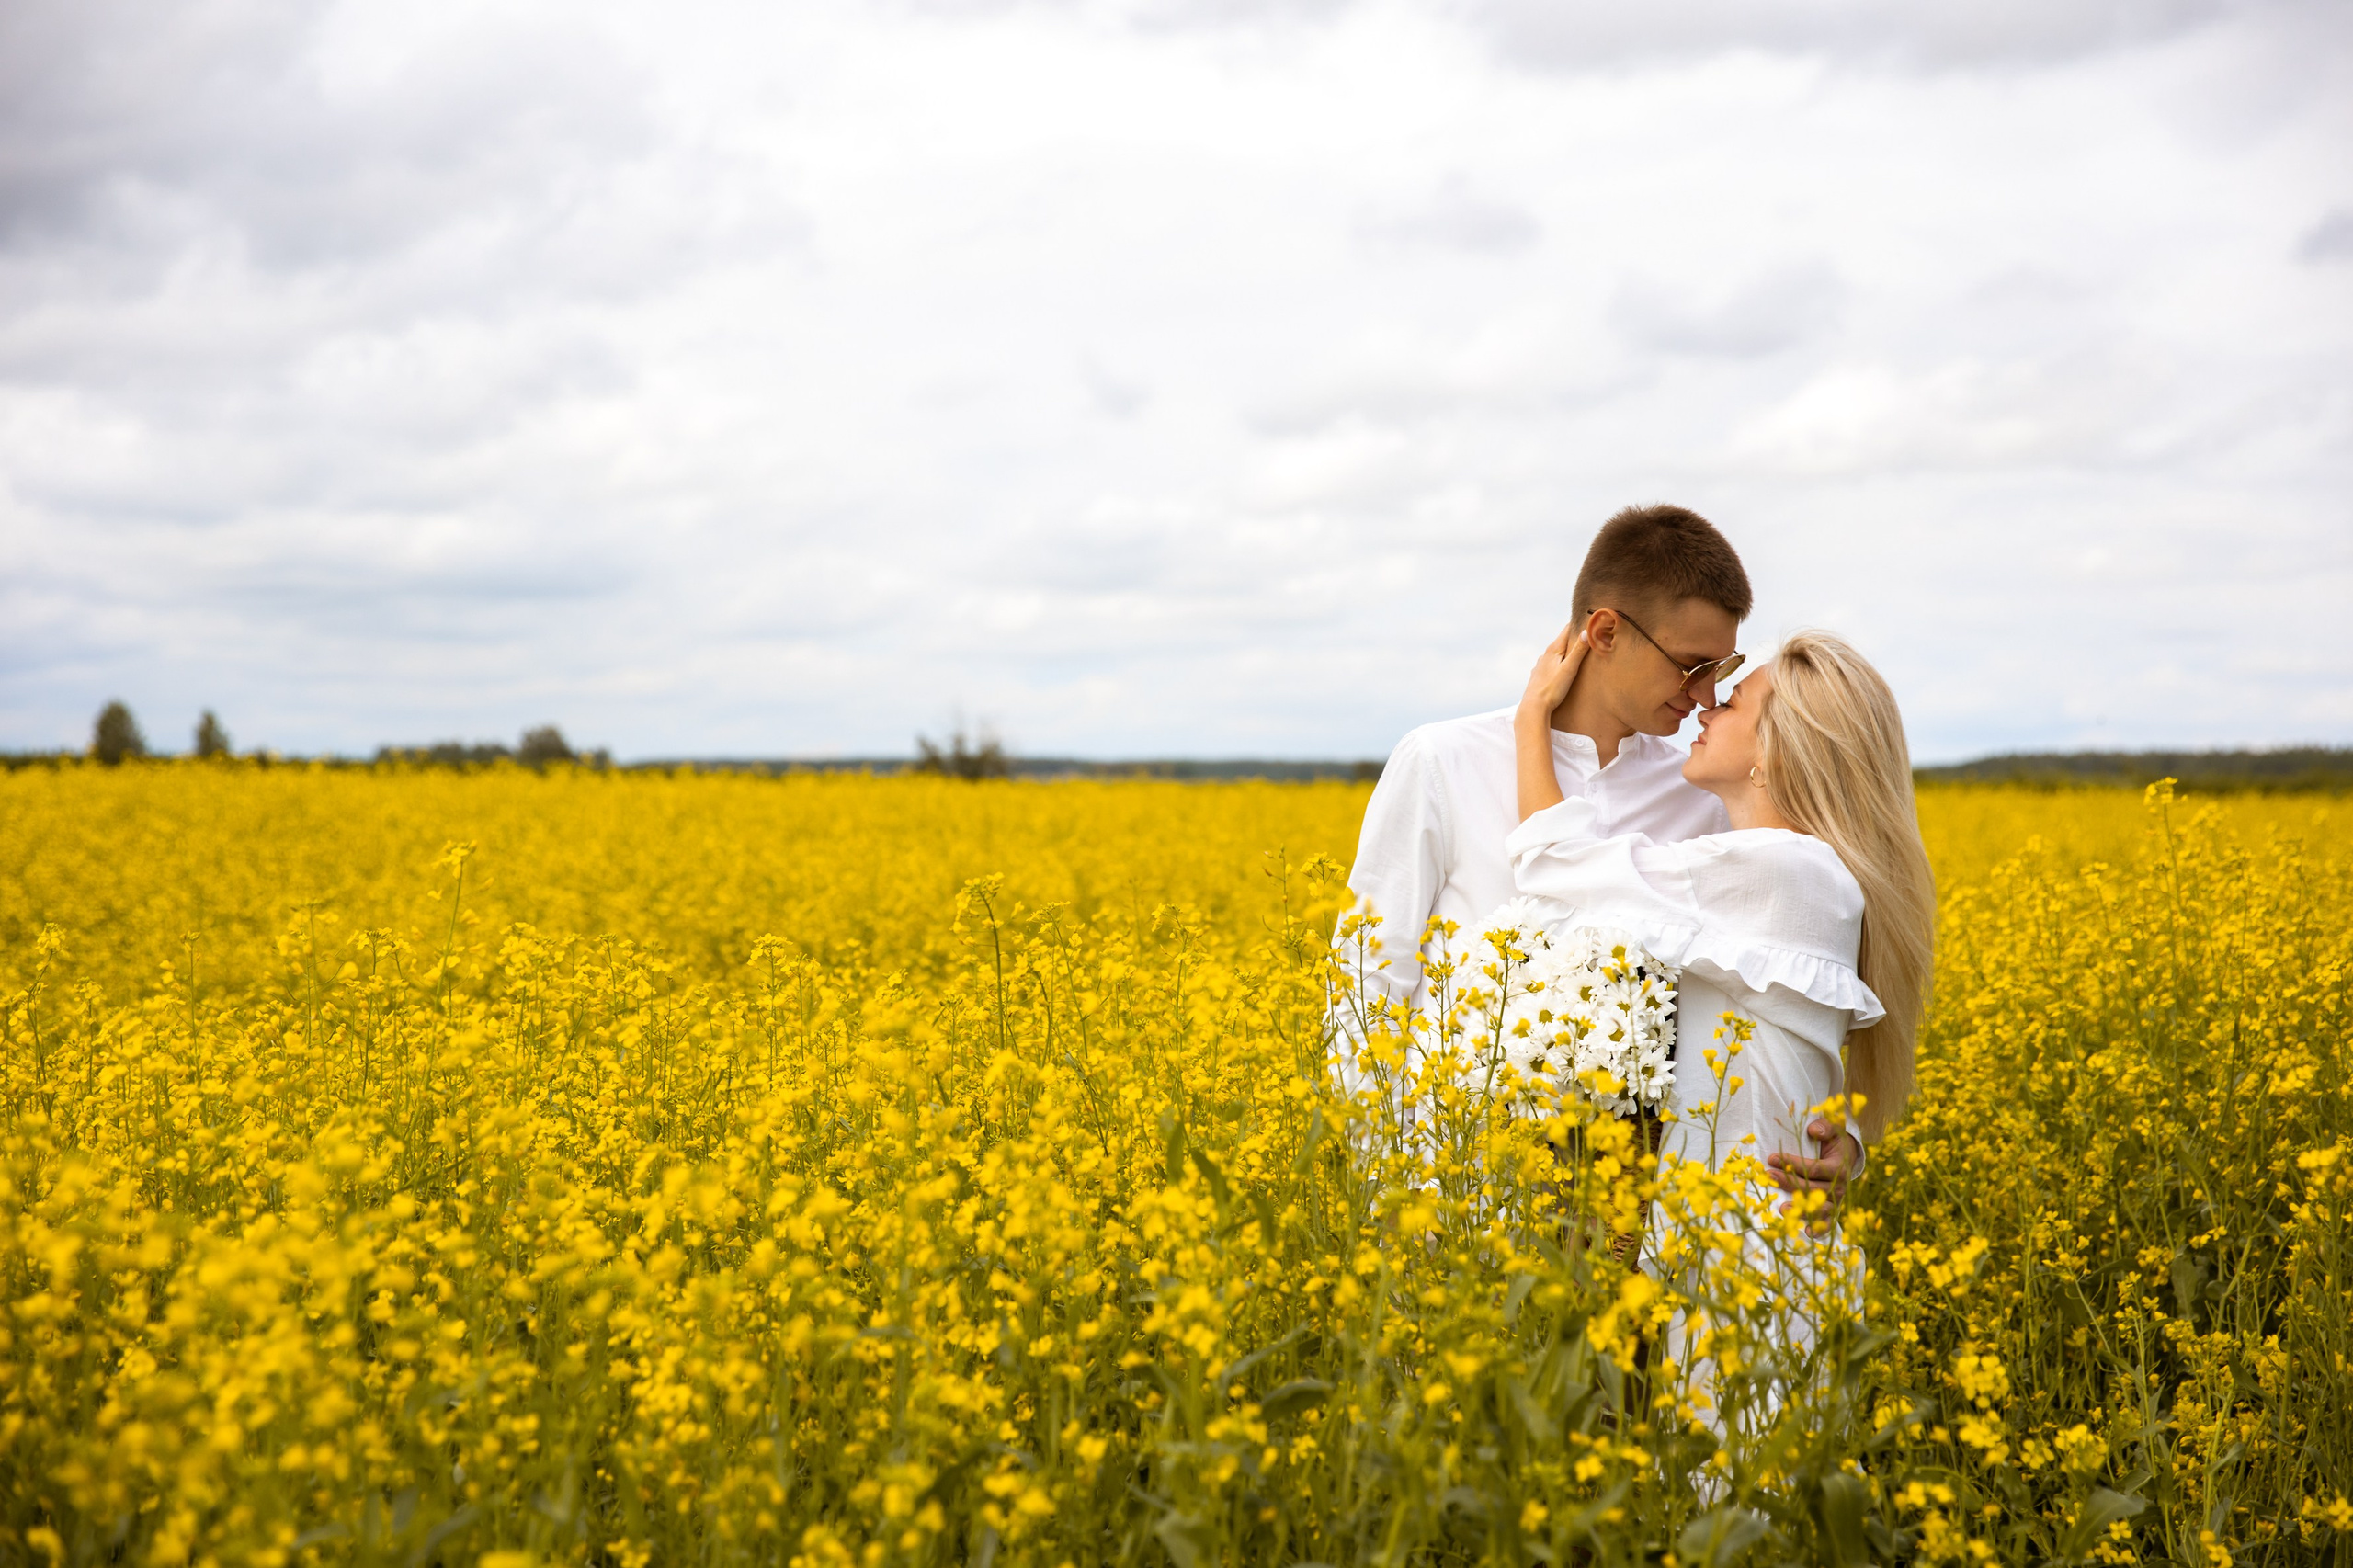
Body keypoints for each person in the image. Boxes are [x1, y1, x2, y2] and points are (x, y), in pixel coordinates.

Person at [1333, 505, 1864, 1204]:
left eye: (1723, 669)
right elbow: (1368, 983)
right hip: (1450, 1193)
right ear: (1606, 631)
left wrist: (1837, 1143)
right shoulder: (1441, 762)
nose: (1706, 696)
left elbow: (1776, 998)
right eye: (1690, 665)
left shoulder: (1703, 798)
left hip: (1625, 1225)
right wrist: (1385, 1179)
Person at [1506, 625, 1935, 1176]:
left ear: (1777, 749)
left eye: (1730, 703)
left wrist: (1531, 715)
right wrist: (1845, 1143)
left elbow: (1553, 861)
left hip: (1735, 1232)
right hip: (1733, 1224)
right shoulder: (1805, 870)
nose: (1704, 710)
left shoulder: (1780, 868)